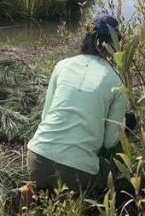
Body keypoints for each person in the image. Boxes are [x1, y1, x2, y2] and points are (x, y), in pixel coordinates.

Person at [24, 14, 128, 198]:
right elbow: (110, 141)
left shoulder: (62, 65)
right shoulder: (117, 81)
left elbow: (45, 115)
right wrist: (126, 126)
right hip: (78, 173)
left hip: (36, 160)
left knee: (50, 184)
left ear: (86, 37)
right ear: (116, 45)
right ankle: (75, 199)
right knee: (111, 167)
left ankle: (33, 194)